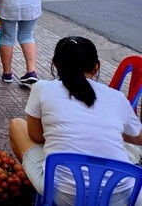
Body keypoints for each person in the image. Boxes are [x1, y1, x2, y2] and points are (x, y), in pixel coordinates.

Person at [9, 37, 142, 205]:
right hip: (119, 196)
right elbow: (139, 138)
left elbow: (35, 136)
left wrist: (59, 134)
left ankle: (39, 188)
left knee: (17, 125)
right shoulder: (117, 97)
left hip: (64, 195)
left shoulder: (42, 88)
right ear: (96, 67)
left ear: (55, 64)